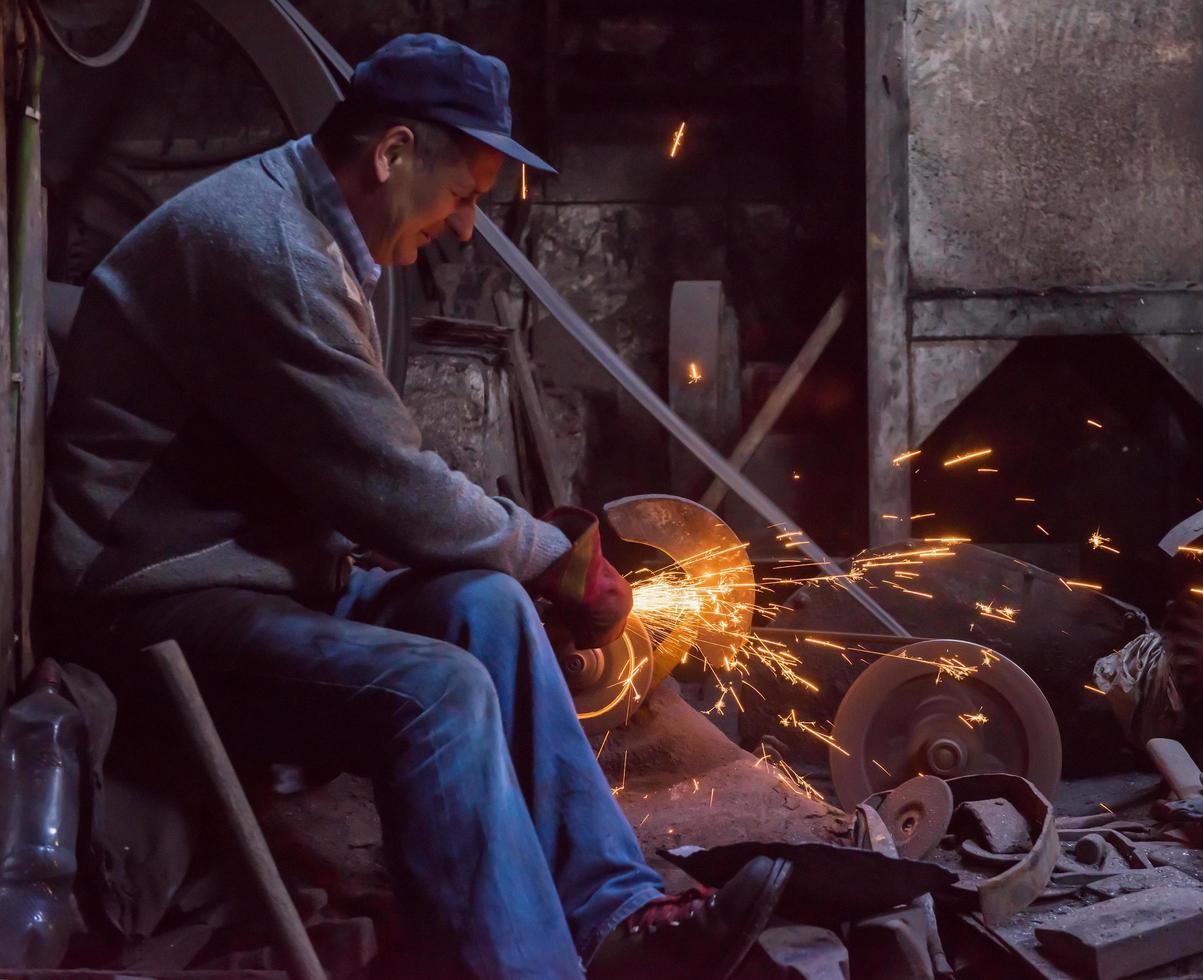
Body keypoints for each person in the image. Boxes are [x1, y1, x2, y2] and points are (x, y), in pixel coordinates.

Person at [38, 33, 789, 979]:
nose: (466, 227)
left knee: (489, 609)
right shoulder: (266, 248)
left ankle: (613, 922)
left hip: (261, 576)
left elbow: (362, 479)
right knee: (439, 692)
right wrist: (557, 561)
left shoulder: (311, 229)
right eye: (462, 196)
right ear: (391, 154)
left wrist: (517, 563)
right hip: (153, 601)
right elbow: (394, 485)